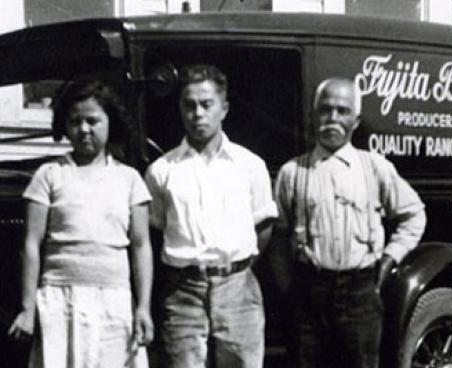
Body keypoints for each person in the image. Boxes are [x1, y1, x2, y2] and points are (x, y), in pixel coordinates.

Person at [272, 77, 426, 368]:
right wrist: (288, 288)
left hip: (360, 294)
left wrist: (390, 258)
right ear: (313, 115)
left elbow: (414, 214)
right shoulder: (293, 172)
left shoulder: (374, 167)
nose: (332, 118)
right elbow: (279, 235)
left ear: (356, 121)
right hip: (309, 293)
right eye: (325, 110)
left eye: (342, 111)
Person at [8, 80, 154, 368]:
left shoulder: (129, 179)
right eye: (75, 121)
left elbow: (141, 246)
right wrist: (28, 308)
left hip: (114, 301)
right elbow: (31, 244)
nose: (84, 129)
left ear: (111, 122)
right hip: (60, 300)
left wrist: (143, 307)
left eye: (93, 120)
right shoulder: (49, 175)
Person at [145, 64, 277, 368]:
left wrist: (235, 266)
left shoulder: (249, 166)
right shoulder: (162, 171)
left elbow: (264, 227)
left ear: (224, 108)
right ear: (180, 109)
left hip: (238, 290)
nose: (198, 114)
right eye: (189, 105)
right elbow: (154, 231)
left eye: (206, 104)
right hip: (182, 295)